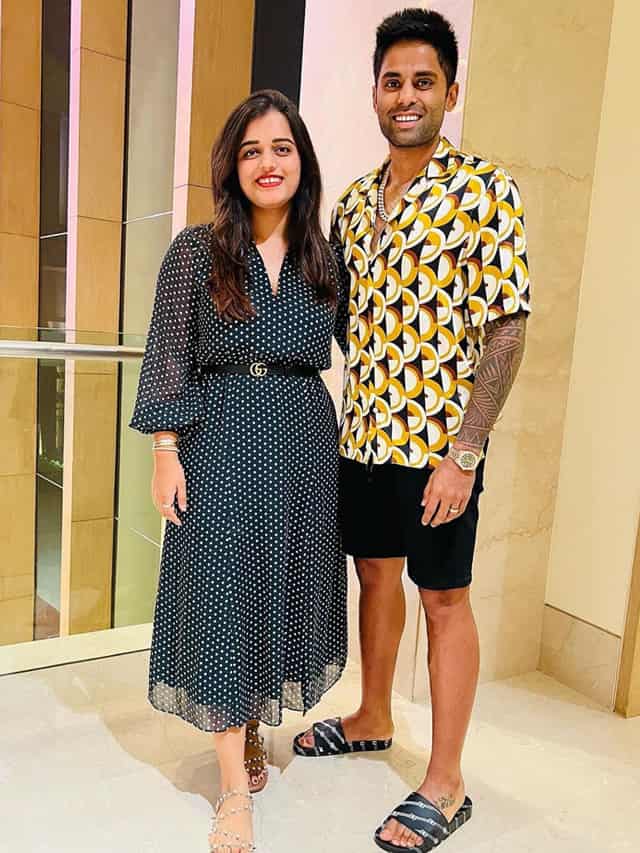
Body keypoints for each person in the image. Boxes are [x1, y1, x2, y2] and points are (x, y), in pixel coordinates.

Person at [293, 9, 531, 852]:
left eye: (423, 81)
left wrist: (466, 452)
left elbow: (507, 328)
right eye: (392, 81)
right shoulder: (356, 202)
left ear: (450, 93)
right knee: (374, 575)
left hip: (438, 447)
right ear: (374, 93)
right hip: (363, 437)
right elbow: (335, 313)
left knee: (444, 597)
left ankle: (447, 779)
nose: (406, 96)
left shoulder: (485, 190)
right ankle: (372, 713)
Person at [130, 89, 348, 853]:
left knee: (276, 585)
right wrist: (165, 451)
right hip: (220, 434)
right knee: (225, 592)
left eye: (281, 148)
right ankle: (231, 789)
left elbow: (369, 342)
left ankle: (250, 724)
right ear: (232, 166)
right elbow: (168, 352)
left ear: (302, 161)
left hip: (304, 439)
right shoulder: (197, 251)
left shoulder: (325, 258)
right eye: (252, 150)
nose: (267, 162)